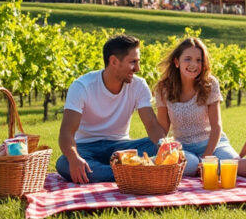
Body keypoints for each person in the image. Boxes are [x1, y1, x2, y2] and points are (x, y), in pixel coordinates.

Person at [56, 34, 167, 183]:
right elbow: (66, 133)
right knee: (64, 163)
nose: (138, 69)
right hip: (86, 148)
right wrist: (75, 158)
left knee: (157, 145)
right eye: (133, 62)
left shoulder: (139, 85)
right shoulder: (82, 86)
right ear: (114, 61)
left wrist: (165, 148)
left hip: (121, 148)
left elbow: (152, 125)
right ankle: (133, 172)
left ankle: (116, 172)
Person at [155, 37, 240, 176]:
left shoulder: (210, 84)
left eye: (199, 60)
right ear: (177, 62)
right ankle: (201, 169)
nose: (194, 64)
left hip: (214, 143)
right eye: (188, 59)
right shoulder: (163, 88)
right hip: (183, 148)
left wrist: (207, 157)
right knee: (191, 165)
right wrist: (165, 151)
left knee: (232, 164)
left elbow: (216, 126)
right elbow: (163, 129)